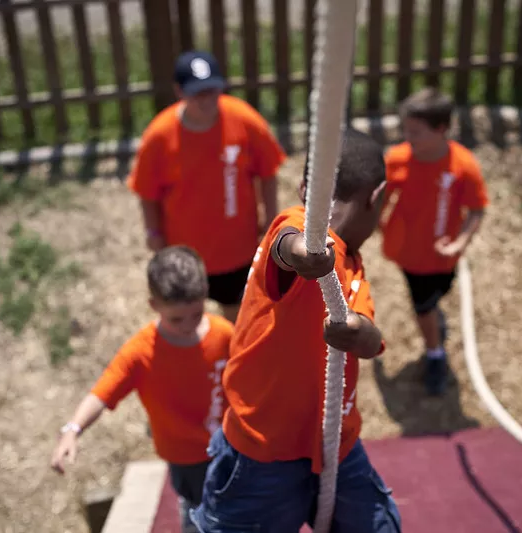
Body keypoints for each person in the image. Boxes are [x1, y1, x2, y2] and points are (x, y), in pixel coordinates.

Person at [190, 128, 402, 532]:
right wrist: (304, 253)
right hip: (262, 454)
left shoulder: (354, 268)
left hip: (334, 446)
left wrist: (360, 332)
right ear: (378, 198)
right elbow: (286, 244)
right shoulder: (298, 224)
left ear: (306, 184)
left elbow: (372, 338)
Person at [49, 246, 233, 533]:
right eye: (176, 319)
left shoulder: (224, 334)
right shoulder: (141, 353)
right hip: (187, 458)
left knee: (235, 510)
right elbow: (103, 392)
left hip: (230, 445)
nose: (188, 325)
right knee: (200, 517)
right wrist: (73, 428)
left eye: (196, 314)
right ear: (154, 305)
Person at [126, 50, 287, 323]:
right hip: (185, 252)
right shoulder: (159, 137)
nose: (207, 100)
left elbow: (268, 171)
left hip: (236, 248)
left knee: (236, 315)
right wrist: (153, 232)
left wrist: (270, 217)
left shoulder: (243, 119)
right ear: (179, 92)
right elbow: (146, 191)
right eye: (197, 93)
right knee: (189, 320)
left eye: (212, 90)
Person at [380, 87, 489, 396]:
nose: (407, 137)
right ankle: (435, 354)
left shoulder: (462, 166)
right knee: (424, 306)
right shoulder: (397, 160)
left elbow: (477, 208)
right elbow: (379, 201)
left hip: (444, 256)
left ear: (441, 129)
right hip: (411, 255)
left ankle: (433, 323)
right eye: (405, 130)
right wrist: (375, 224)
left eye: (415, 131)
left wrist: (460, 243)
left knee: (439, 294)